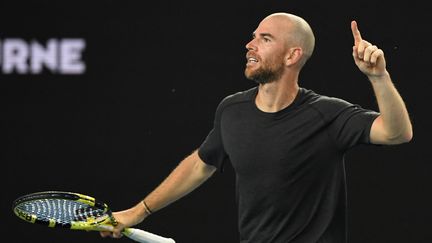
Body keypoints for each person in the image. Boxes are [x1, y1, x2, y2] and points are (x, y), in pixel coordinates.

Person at [100, 12, 413, 243]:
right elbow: (200, 164)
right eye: (253, 37)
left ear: (293, 55)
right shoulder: (232, 110)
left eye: (265, 39)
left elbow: (397, 133)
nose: (250, 45)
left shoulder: (326, 114)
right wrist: (139, 210)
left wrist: (378, 78)